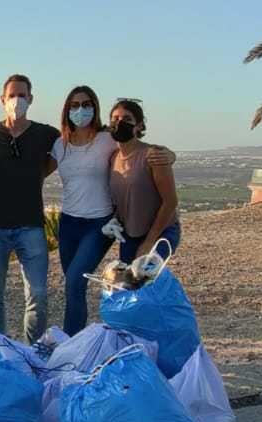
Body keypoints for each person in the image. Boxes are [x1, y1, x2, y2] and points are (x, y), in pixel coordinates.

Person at [0, 73, 60, 343]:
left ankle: (34, 350)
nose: (17, 100)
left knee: (38, 294)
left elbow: (66, 151)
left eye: (22, 95)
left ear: (31, 99)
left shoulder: (46, 134)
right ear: (2, 99)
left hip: (31, 225)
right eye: (12, 95)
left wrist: (37, 175)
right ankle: (0, 346)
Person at [52, 84, 116, 334]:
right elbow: (35, 173)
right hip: (69, 223)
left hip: (99, 223)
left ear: (95, 108)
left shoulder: (108, 140)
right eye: (75, 105)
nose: (81, 110)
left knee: (75, 281)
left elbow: (137, 151)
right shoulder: (60, 145)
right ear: (67, 110)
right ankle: (76, 340)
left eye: (86, 104)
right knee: (73, 287)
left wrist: (166, 155)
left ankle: (70, 342)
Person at [107, 99, 181, 263]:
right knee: (128, 277)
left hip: (161, 232)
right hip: (131, 233)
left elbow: (170, 202)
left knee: (143, 273)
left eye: (127, 119)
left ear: (139, 126)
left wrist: (149, 242)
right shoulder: (113, 158)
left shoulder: (153, 155)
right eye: (115, 118)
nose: (120, 123)